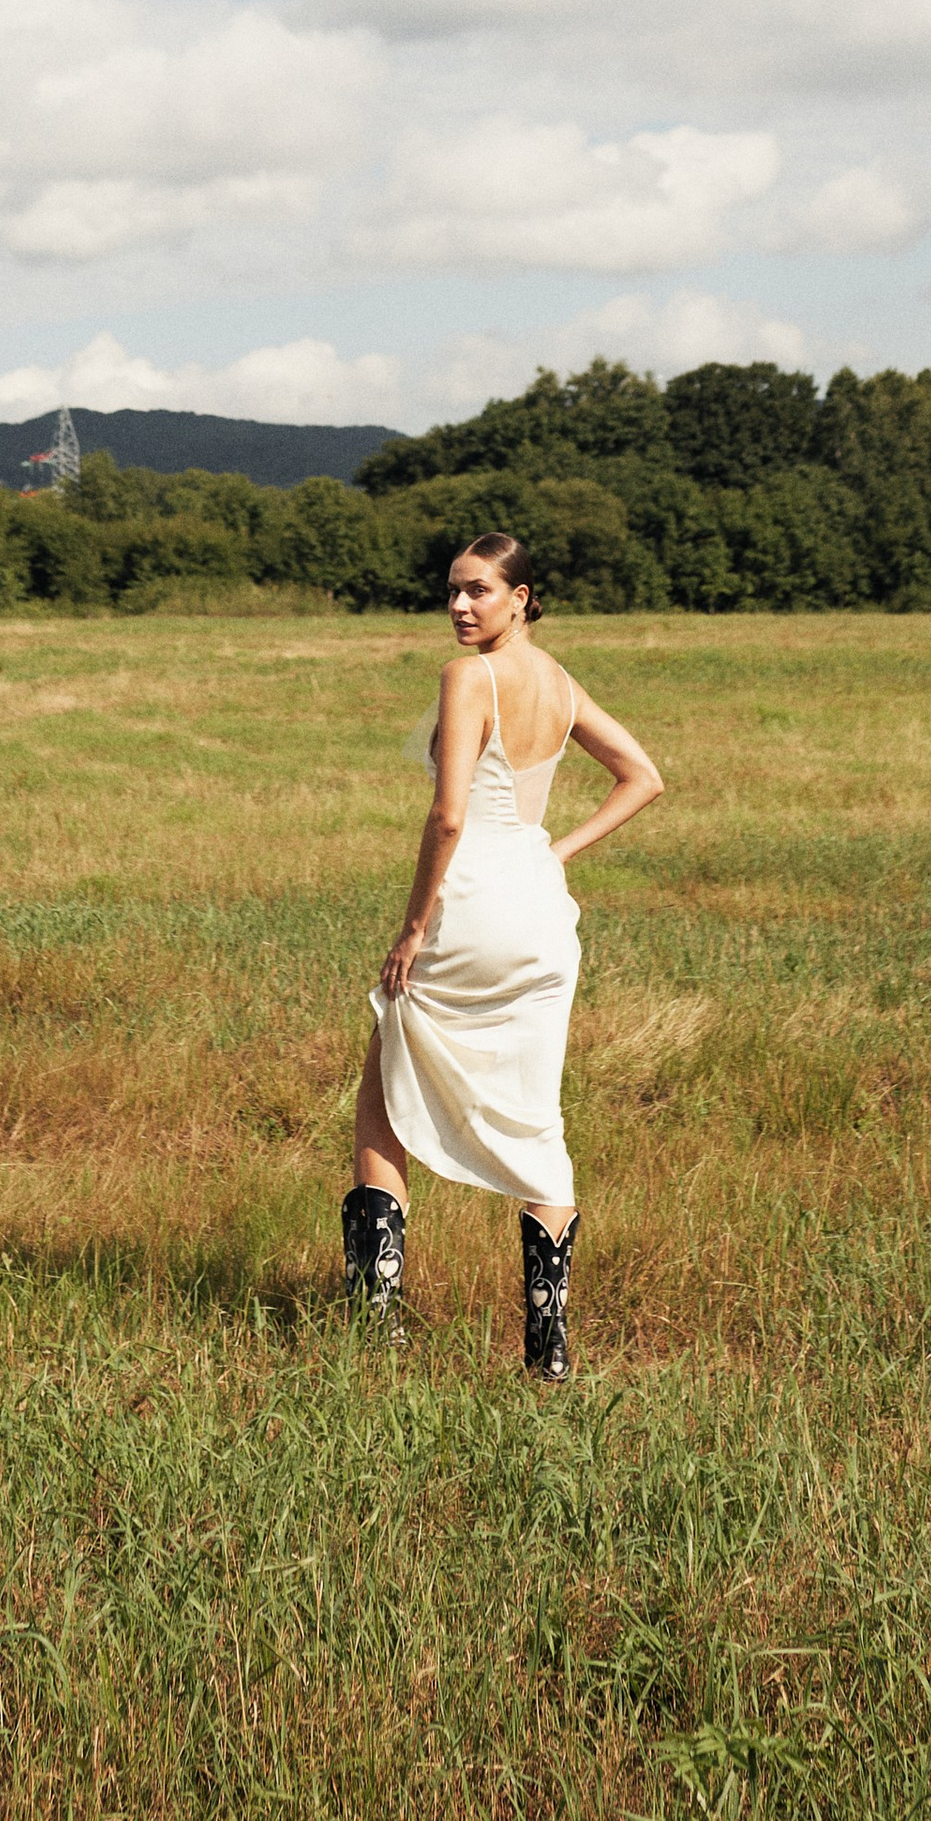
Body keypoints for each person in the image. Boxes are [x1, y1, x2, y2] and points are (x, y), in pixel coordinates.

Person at [342, 532, 664, 1378]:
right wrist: (553, 852)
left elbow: (448, 817)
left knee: (380, 1097)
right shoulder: (558, 681)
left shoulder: (468, 677)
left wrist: (412, 927)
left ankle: (373, 1328)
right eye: (451, 590)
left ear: (522, 596)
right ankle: (548, 1354)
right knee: (536, 1121)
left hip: (473, 903)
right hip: (538, 907)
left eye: (479, 591)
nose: (459, 606)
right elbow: (643, 776)